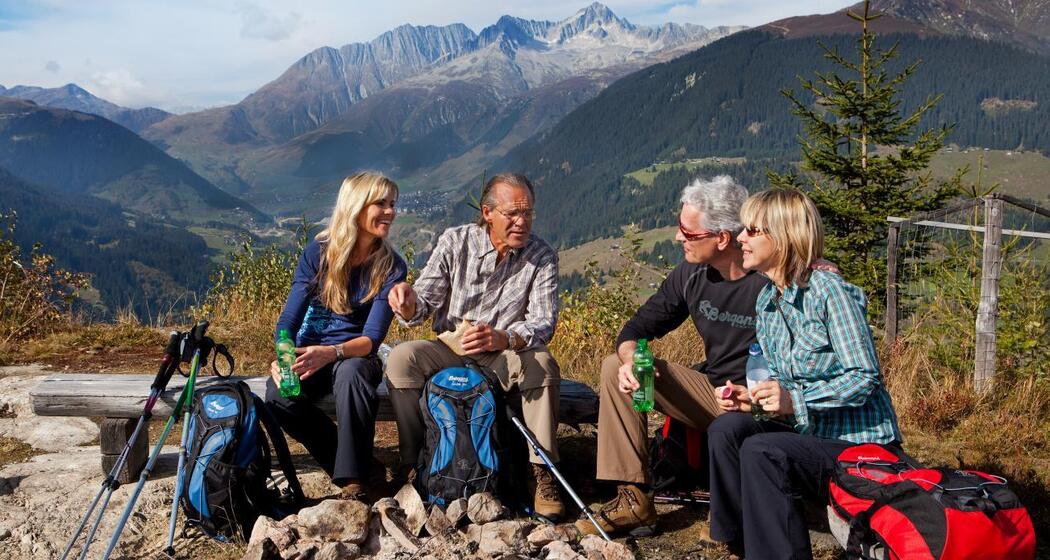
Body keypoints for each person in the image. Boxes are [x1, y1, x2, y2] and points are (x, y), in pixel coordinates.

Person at [706, 188, 902, 560]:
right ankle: (742, 544)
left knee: (764, 449)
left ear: (782, 237)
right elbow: (784, 385)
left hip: (859, 445)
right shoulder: (767, 302)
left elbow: (865, 377)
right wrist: (755, 401)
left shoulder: (830, 293)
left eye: (752, 231)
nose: (741, 238)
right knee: (726, 431)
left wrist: (795, 400)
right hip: (810, 435)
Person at [577, 175, 768, 537]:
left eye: (688, 231)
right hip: (712, 393)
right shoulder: (691, 273)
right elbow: (637, 328)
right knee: (616, 364)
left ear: (722, 238)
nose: (678, 237)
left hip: (760, 402)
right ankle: (633, 498)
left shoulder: (767, 280)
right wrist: (632, 356)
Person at [385, 172, 565, 520]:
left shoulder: (542, 256)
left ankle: (544, 473)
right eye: (512, 213)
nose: (522, 221)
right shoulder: (456, 242)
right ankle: (415, 461)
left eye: (528, 213)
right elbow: (423, 303)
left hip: (504, 354)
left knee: (541, 363)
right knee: (401, 359)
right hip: (453, 346)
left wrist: (505, 337)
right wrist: (407, 304)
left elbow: (544, 322)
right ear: (487, 213)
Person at [265, 172, 408, 499]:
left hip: (355, 355)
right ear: (356, 207)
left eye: (392, 204)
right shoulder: (318, 254)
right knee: (278, 397)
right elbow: (288, 319)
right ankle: (366, 468)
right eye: (380, 204)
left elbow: (372, 339)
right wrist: (285, 356)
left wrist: (330, 353)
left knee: (352, 375)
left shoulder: (391, 266)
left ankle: (352, 482)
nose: (389, 212)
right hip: (310, 352)